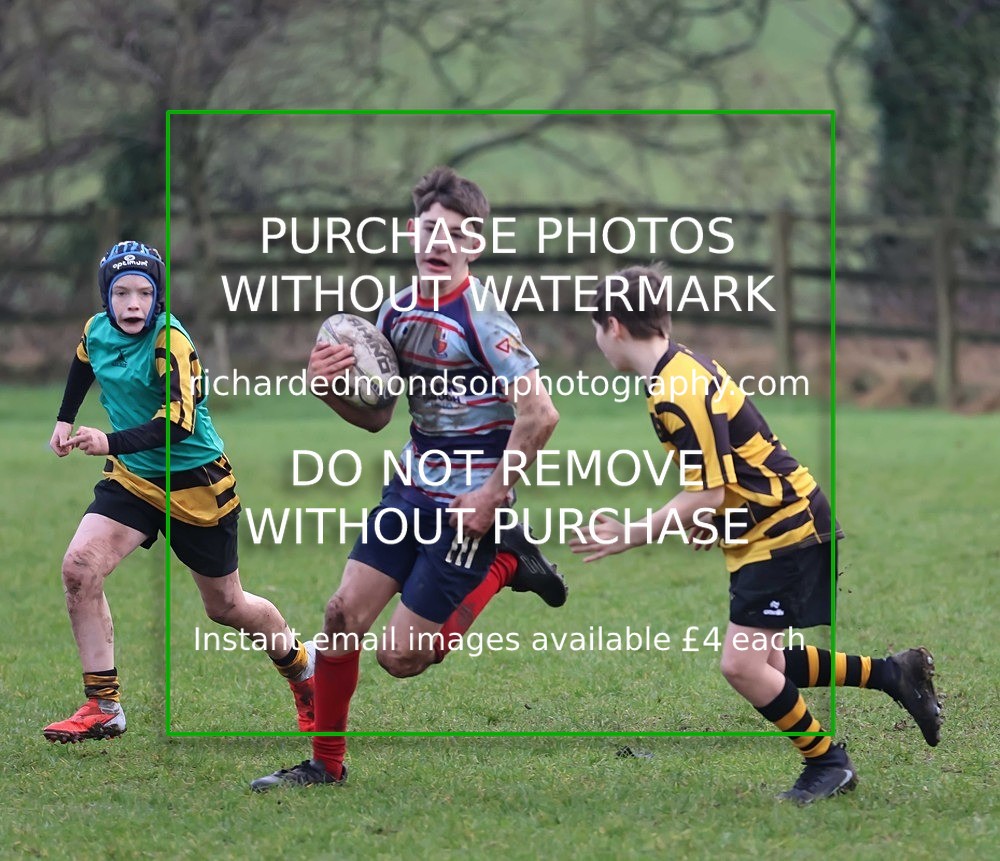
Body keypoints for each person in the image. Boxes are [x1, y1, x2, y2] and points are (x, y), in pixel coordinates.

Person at [569, 265, 942, 804]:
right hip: (770, 522)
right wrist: (714, 518)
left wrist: (635, 532)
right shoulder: (677, 371)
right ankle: (893, 674)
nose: (599, 341)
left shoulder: (678, 391)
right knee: (764, 663)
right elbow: (726, 473)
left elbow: (708, 491)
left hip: (783, 528)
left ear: (613, 326)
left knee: (742, 665)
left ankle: (828, 762)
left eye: (597, 330)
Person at [251, 167, 566, 790]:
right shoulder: (393, 314)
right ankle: (326, 766)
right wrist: (325, 391)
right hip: (410, 489)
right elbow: (378, 419)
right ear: (412, 233)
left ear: (475, 245)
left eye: (456, 233)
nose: (440, 242)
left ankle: (506, 560)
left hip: (471, 507)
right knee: (340, 615)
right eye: (430, 229)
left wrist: (492, 495)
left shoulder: (486, 321)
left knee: (398, 658)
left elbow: (541, 414)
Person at [44, 241, 315, 743]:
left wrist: (109, 440)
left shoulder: (173, 342)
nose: (131, 304)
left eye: (143, 293)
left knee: (227, 607)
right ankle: (103, 706)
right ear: (105, 295)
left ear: (158, 295)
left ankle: (304, 669)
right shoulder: (96, 329)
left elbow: (179, 423)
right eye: (120, 292)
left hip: (196, 484)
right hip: (134, 480)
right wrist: (64, 419)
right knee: (79, 569)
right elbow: (84, 361)